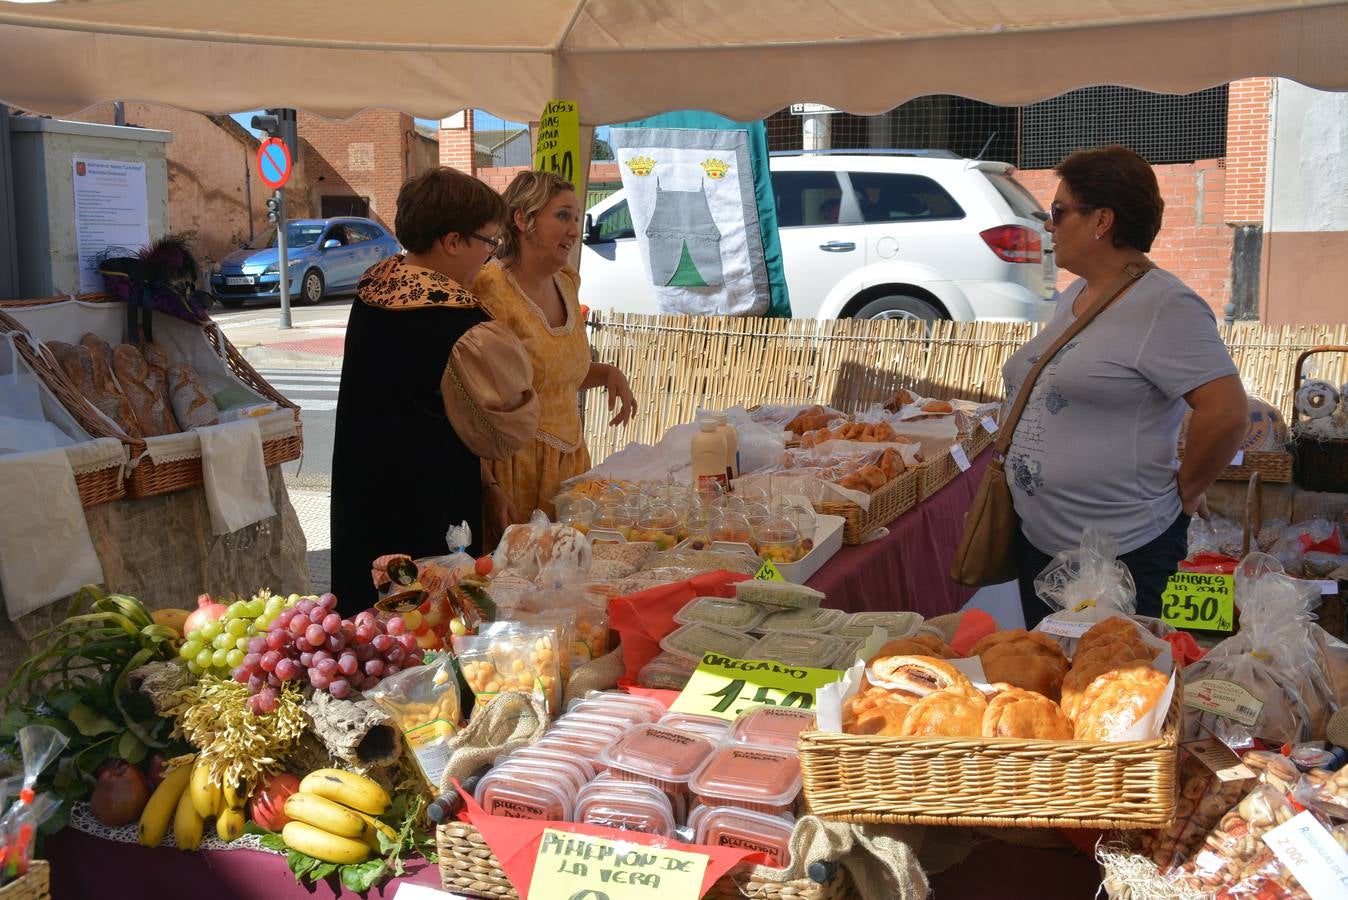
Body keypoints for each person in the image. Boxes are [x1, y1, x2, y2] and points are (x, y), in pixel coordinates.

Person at [1000, 145, 1248, 626]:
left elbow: (1227, 412)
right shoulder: (1077, 294)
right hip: (1045, 547)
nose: (1050, 225)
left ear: (1102, 220)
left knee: (1117, 691)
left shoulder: (1165, 304)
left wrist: (1188, 487)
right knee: (1055, 687)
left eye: (1058, 211)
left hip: (1124, 556)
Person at [329, 168, 510, 615]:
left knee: (366, 628)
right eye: (488, 243)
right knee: (427, 625)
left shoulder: (372, 288)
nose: (489, 258)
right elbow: (505, 424)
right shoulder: (460, 320)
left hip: (362, 491)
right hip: (431, 501)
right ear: (452, 241)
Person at [473, 170, 637, 540]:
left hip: (571, 468)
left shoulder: (567, 282)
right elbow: (472, 401)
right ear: (522, 219)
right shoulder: (488, 289)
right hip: (514, 472)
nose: (574, 230)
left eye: (577, 218)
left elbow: (555, 373)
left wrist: (607, 372)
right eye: (562, 215)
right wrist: (487, 486)